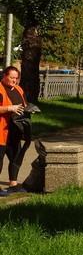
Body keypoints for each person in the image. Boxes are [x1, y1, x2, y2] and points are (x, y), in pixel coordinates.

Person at [0, 66, 27, 197]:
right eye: (11, 77)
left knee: (16, 158)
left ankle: (13, 185)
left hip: (15, 131)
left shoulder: (19, 89)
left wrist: (29, 109)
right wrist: (10, 108)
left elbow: (24, 105)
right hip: (1, 131)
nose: (14, 81)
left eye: (16, 78)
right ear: (4, 76)